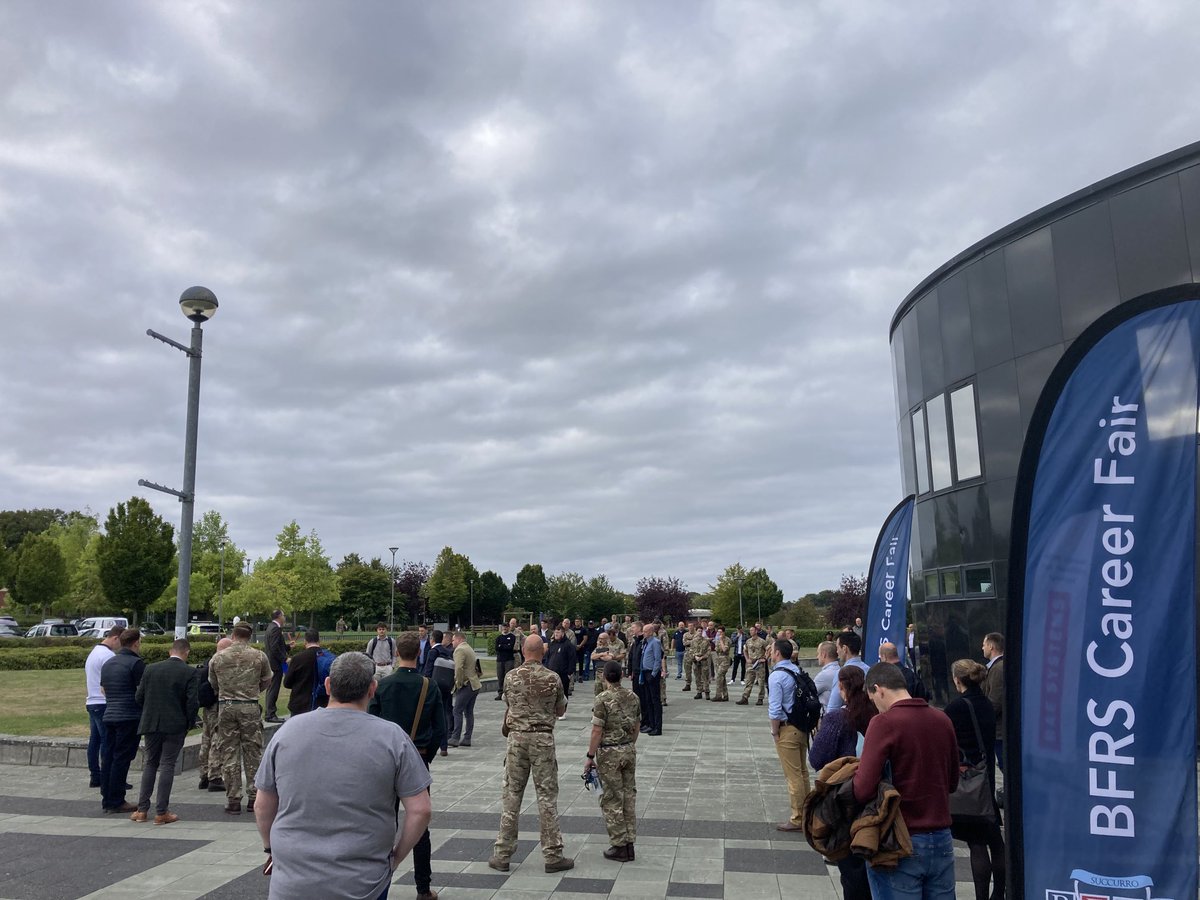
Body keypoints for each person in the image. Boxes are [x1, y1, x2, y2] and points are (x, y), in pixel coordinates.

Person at [256, 652, 432, 900]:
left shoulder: (288, 732)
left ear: (328, 686)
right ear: (372, 689)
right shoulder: (393, 738)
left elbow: (263, 805)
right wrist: (396, 858)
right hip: (364, 880)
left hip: (293, 878)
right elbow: (421, 810)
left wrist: (270, 848)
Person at [854, 662, 959, 899]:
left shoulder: (884, 723)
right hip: (942, 837)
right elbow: (952, 782)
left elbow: (863, 788)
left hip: (900, 839)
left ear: (878, 689)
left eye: (873, 699)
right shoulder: (942, 719)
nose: (876, 706)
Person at [370, 633, 446, 900]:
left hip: (386, 761)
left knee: (384, 822)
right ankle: (423, 889)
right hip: (419, 756)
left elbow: (371, 724)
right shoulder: (429, 686)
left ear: (396, 654)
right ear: (419, 654)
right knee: (420, 825)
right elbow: (440, 728)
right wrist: (427, 756)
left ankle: (378, 884)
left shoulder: (383, 685)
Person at [489, 635, 574, 874]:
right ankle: (553, 854)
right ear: (542, 653)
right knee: (547, 798)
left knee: (512, 795)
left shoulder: (510, 676)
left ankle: (503, 854)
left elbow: (509, 706)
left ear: (523, 651)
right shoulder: (552, 678)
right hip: (543, 739)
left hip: (516, 739)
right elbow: (560, 710)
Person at [809, 665, 875, 900]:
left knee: (851, 867)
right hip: (878, 796)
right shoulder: (878, 714)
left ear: (843, 688)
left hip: (845, 797)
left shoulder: (838, 718)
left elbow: (816, 758)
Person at [947, 659, 1006, 900]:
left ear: (957, 680)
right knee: (995, 839)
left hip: (967, 780)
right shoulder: (985, 704)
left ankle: (983, 896)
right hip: (986, 778)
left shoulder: (956, 708)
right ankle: (999, 893)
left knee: (976, 841)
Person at [131, 638, 199, 825]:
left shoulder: (150, 669)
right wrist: (189, 722)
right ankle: (161, 811)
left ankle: (142, 809)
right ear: (187, 653)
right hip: (175, 724)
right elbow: (192, 702)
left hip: (151, 723)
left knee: (150, 763)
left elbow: (139, 696)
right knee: (167, 764)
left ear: (170, 651)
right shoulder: (189, 672)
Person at [209, 622, 273, 815]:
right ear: (250, 637)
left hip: (226, 707)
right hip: (250, 706)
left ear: (233, 635)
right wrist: (253, 691)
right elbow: (267, 679)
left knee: (229, 752)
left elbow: (213, 683)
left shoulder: (218, 657)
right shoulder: (259, 656)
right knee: (252, 751)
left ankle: (233, 798)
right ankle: (254, 797)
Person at [585, 660, 641, 861]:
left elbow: (597, 729)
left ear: (604, 677)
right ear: (622, 675)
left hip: (609, 753)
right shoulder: (633, 697)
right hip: (628, 749)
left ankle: (619, 844)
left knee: (611, 798)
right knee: (628, 796)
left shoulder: (602, 699)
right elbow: (636, 725)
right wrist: (628, 744)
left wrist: (590, 756)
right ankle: (630, 842)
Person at [99, 628, 146, 813]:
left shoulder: (109, 663)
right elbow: (142, 692)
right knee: (122, 758)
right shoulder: (136, 664)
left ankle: (107, 798)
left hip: (109, 714)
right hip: (128, 716)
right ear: (135, 643)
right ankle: (117, 800)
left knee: (108, 757)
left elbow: (103, 689)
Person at [766, 639, 811, 833]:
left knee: (793, 776)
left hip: (787, 728)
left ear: (777, 654)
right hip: (801, 726)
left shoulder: (776, 676)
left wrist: (774, 731)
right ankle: (808, 813)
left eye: (771, 650)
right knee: (802, 773)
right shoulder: (796, 670)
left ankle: (798, 817)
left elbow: (775, 709)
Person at [84, 625, 123, 789]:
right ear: (115, 638)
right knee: (109, 742)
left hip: (92, 701)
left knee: (95, 741)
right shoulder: (108, 656)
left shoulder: (94, 652)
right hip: (103, 702)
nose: (120, 647)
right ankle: (110, 778)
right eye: (120, 642)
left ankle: (96, 775)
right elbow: (110, 682)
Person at [197, 637, 232, 792]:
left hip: (207, 707)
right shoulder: (221, 663)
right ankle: (215, 777)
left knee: (206, 738)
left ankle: (204, 774)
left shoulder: (208, 662)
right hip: (218, 705)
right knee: (217, 740)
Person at [282, 628, 328, 716]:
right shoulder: (327, 657)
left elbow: (287, 683)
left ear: (305, 641)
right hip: (322, 703)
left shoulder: (298, 658)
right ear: (319, 640)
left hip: (300, 704)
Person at [423, 629, 454, 756]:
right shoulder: (448, 651)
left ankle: (431, 744)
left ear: (432, 639)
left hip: (435, 687)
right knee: (445, 714)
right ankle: (444, 746)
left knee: (431, 715)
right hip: (446, 686)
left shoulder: (433, 652)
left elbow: (428, 671)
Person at [448, 631, 481, 748]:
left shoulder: (459, 650)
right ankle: (467, 737)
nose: (452, 642)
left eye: (453, 640)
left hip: (467, 684)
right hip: (475, 684)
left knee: (457, 710)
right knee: (468, 712)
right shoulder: (469, 648)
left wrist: (458, 683)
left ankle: (455, 737)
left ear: (459, 639)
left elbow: (459, 668)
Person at [982, 632, 1005, 771]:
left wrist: (984, 718)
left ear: (991, 646)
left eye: (984, 644)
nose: (982, 647)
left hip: (1000, 730)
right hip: (998, 730)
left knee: (1004, 765)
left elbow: (995, 701)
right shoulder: (995, 667)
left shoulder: (998, 669)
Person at [263, 610, 291, 723]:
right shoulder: (275, 628)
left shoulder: (271, 627)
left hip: (272, 663)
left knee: (271, 689)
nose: (284, 617)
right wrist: (284, 658)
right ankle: (270, 714)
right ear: (279, 616)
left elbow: (276, 645)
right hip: (275, 665)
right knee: (273, 689)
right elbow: (274, 648)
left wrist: (288, 647)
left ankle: (269, 713)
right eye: (283, 615)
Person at [639, 623, 663, 735]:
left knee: (655, 700)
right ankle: (651, 724)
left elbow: (658, 659)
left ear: (650, 632)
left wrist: (653, 674)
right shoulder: (645, 643)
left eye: (645, 631)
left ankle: (657, 727)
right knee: (648, 700)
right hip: (645, 672)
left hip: (652, 673)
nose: (643, 633)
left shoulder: (655, 642)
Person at [737, 628, 768, 705]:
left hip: (759, 663)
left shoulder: (762, 641)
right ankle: (745, 697)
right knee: (749, 681)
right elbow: (745, 650)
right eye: (750, 630)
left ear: (756, 631)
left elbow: (769, 649)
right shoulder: (748, 641)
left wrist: (765, 658)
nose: (751, 632)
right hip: (750, 663)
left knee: (761, 682)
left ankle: (760, 698)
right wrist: (747, 658)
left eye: (753, 630)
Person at [544, 626, 577, 699]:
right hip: (552, 673)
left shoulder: (568, 645)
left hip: (563, 674)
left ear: (563, 633)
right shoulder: (552, 644)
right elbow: (547, 657)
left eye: (558, 632)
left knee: (563, 695)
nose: (556, 634)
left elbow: (572, 659)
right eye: (555, 632)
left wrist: (569, 673)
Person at [813, 641, 840, 710]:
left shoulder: (824, 675)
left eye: (818, 653)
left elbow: (810, 693)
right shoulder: (840, 670)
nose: (817, 657)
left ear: (824, 655)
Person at [494, 621, 517, 701]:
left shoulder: (512, 637)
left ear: (508, 627)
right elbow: (497, 648)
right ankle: (500, 693)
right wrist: (504, 646)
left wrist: (502, 646)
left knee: (508, 677)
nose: (505, 628)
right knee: (500, 677)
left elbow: (510, 647)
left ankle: (508, 693)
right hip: (500, 660)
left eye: (506, 626)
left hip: (509, 660)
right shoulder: (498, 638)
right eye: (503, 627)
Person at [689, 626, 711, 700]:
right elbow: (691, 650)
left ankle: (707, 692)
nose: (700, 632)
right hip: (696, 661)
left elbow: (708, 650)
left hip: (703, 660)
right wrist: (695, 656)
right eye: (698, 631)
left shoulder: (706, 641)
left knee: (705, 677)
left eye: (701, 631)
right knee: (697, 677)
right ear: (696, 631)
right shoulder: (693, 641)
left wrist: (703, 657)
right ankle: (699, 692)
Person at [711, 626, 732, 701]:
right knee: (722, 678)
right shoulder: (717, 640)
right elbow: (716, 650)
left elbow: (724, 649)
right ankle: (725, 695)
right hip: (718, 659)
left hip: (725, 659)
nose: (719, 633)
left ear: (723, 632)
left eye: (720, 632)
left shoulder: (727, 640)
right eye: (718, 632)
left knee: (719, 676)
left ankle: (718, 695)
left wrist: (721, 641)